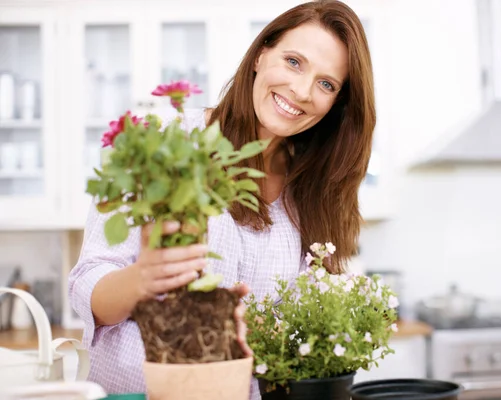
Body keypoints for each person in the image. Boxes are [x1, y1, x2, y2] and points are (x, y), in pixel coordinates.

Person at [68, 0, 375, 398]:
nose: (301, 91)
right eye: (294, 62)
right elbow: (87, 291)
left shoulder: (313, 190)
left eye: (327, 83)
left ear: (337, 103)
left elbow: (299, 336)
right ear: (260, 55)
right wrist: (143, 279)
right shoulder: (165, 141)